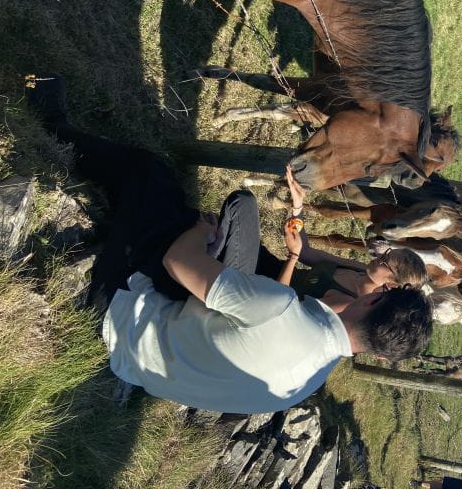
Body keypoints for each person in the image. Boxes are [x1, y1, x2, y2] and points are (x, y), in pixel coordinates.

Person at [25, 74, 433, 414]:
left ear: (375, 300)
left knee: (147, 172)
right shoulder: (305, 385)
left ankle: (53, 123)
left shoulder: (281, 308)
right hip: (135, 364)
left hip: (120, 310)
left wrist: (203, 236)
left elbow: (176, 260)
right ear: (378, 354)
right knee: (171, 206)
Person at [268, 166, 428, 313]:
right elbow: (306, 253)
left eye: (385, 261)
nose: (378, 256)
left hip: (266, 294)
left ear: (392, 284)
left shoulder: (349, 304)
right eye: (386, 253)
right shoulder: (360, 270)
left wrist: (293, 257)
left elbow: (284, 310)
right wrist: (297, 206)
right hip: (272, 269)